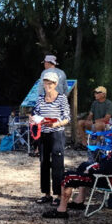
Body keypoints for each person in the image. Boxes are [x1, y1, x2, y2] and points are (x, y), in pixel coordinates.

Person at [43, 119, 112, 219]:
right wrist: (92, 167)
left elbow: (109, 169)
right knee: (84, 165)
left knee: (68, 177)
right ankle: (79, 201)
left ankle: (61, 210)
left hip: (107, 179)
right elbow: (111, 164)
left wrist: (92, 170)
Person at [32, 72, 71, 206]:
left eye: (50, 83)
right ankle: (46, 194)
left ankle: (59, 195)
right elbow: (36, 113)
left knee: (57, 164)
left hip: (57, 134)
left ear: (55, 84)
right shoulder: (40, 98)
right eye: (45, 83)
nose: (47, 86)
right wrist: (33, 119)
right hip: (43, 134)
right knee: (44, 163)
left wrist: (56, 123)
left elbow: (67, 118)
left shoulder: (62, 99)